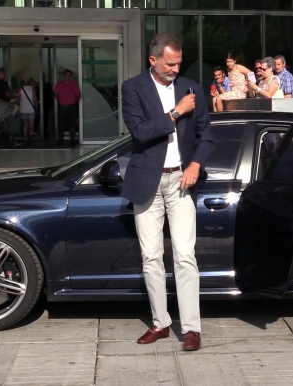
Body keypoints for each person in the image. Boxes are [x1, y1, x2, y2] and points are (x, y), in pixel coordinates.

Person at [121, 33, 213, 351]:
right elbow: (141, 132)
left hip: (181, 182)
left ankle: (191, 329)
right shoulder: (133, 89)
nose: (176, 68)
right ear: (154, 60)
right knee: (151, 257)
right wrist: (175, 113)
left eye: (178, 63)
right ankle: (160, 323)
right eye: (170, 63)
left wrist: (196, 164)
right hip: (147, 181)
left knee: (185, 256)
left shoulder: (192, 89)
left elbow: (207, 135)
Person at [54, 69, 81, 146]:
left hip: (71, 106)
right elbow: (55, 94)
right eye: (66, 75)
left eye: (69, 75)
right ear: (64, 76)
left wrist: (75, 102)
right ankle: (60, 140)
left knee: (72, 124)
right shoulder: (59, 84)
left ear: (71, 76)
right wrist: (60, 100)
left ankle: (72, 140)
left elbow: (79, 95)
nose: (67, 77)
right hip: (62, 106)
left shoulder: (74, 85)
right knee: (61, 124)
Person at [16, 78, 38, 145]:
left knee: (25, 125)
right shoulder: (32, 89)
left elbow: (18, 98)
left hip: (22, 109)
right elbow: (35, 98)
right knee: (31, 126)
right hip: (31, 109)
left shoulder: (21, 88)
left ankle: (25, 139)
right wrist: (36, 105)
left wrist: (19, 104)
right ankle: (30, 137)